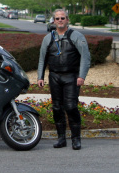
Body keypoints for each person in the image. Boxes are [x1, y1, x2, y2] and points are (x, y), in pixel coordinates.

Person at [37, 9, 91, 150]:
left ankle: (76, 139)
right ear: (53, 21)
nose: (60, 20)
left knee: (71, 106)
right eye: (57, 18)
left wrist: (81, 76)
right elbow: (42, 59)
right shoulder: (48, 38)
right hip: (54, 76)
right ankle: (61, 138)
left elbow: (85, 57)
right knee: (56, 107)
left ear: (67, 20)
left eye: (63, 18)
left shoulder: (76, 36)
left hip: (71, 76)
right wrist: (40, 77)